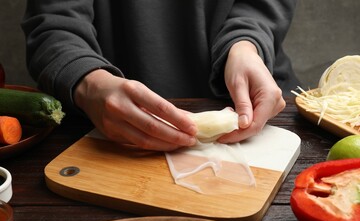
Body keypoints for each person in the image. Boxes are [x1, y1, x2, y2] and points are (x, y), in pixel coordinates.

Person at [22, 0, 300, 151]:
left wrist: (246, 45)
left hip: (258, 115)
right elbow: (54, 28)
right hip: (109, 132)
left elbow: (262, 9)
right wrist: (90, 84)